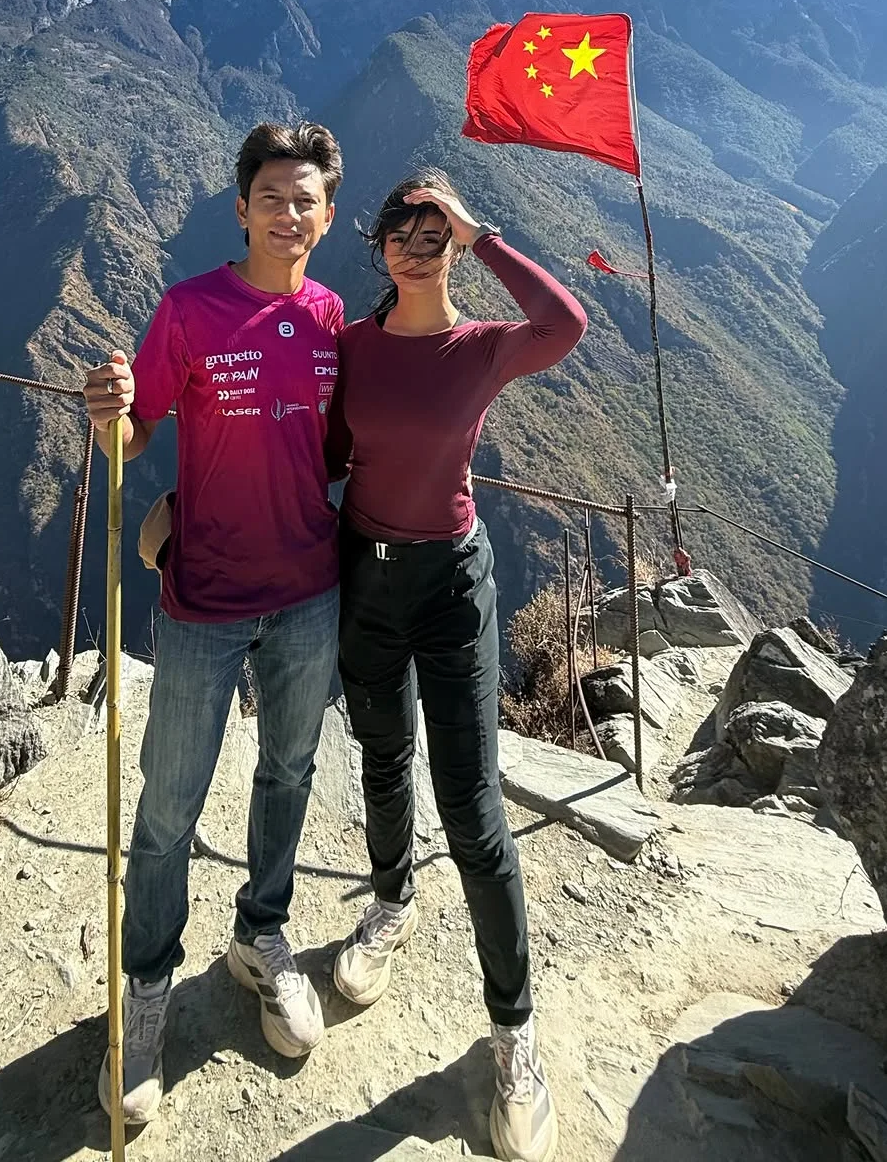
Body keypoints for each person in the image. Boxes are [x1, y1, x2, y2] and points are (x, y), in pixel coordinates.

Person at [83, 121, 344, 1127]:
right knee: (168, 805)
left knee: (289, 773)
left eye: (305, 199)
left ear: (327, 216)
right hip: (203, 600)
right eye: (271, 196)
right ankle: (147, 986)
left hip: (309, 591)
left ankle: (260, 933)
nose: (288, 213)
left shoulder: (330, 317)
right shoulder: (189, 310)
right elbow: (136, 430)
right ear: (241, 209)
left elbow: (345, 441)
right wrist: (109, 413)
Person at [325, 172, 587, 1162]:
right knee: (383, 759)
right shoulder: (352, 347)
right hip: (365, 574)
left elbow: (565, 324)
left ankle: (514, 1033)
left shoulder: (480, 347)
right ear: (378, 244)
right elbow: (318, 451)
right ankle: (390, 902)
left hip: (450, 586)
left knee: (473, 805)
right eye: (401, 229)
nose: (416, 243)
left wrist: (484, 235)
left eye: (433, 231)